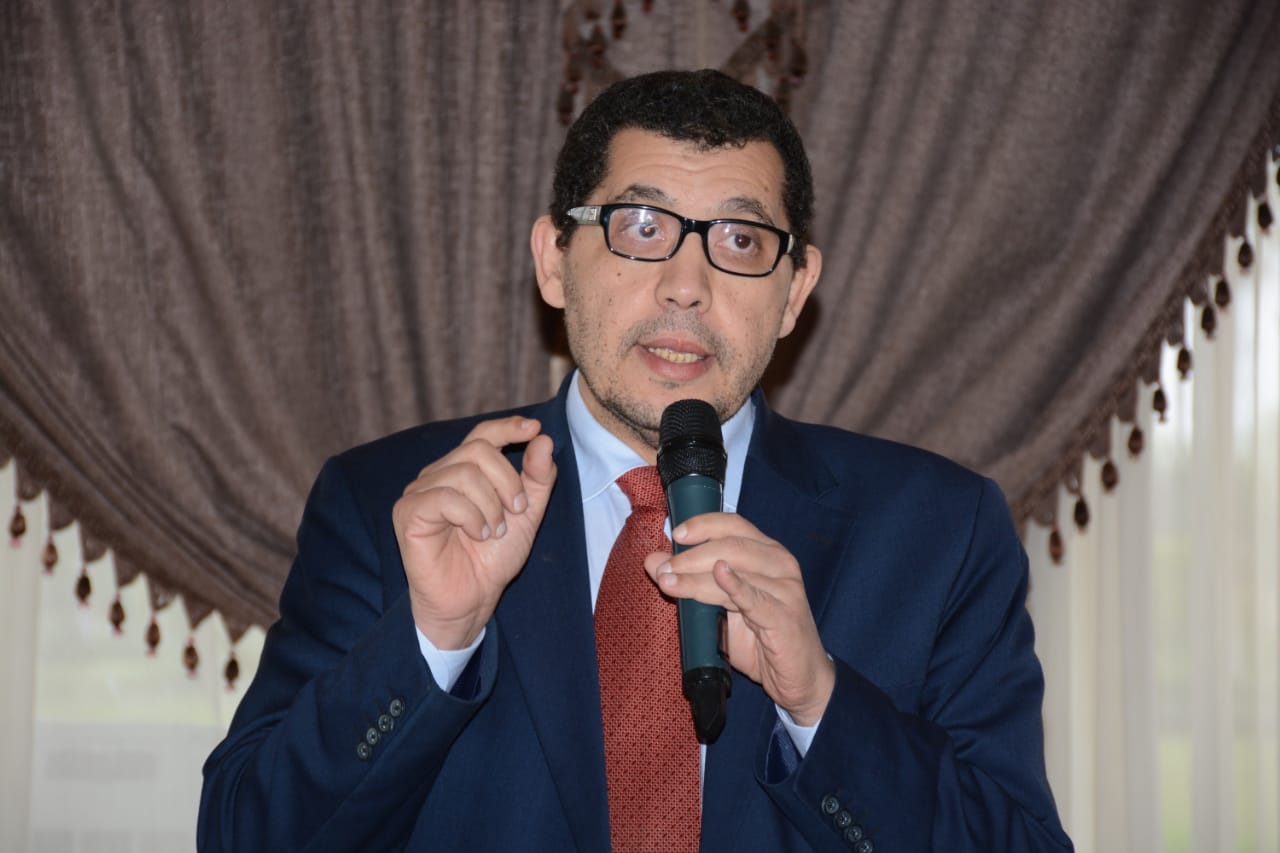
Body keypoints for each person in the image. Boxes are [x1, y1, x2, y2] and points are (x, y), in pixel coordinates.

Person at [198, 69, 1073, 852]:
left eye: (739, 240)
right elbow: (244, 834)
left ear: (794, 291)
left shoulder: (939, 531)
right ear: (554, 260)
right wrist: (430, 639)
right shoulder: (388, 504)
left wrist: (821, 704)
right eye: (641, 227)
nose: (686, 285)